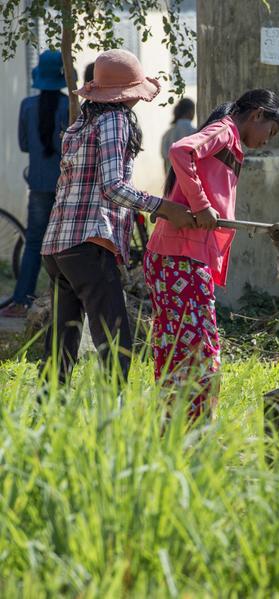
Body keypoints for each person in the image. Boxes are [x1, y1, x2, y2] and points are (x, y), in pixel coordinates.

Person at [40, 49, 195, 383]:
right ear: (129, 93)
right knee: (115, 338)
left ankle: (44, 413)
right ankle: (114, 414)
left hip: (57, 245)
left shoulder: (84, 120)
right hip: (88, 243)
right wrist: (163, 207)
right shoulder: (115, 120)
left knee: (61, 341)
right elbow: (114, 187)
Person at [144, 89, 279, 418]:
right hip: (181, 258)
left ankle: (174, 430)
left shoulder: (230, 141)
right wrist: (202, 205)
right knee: (198, 352)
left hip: (177, 257)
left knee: (176, 348)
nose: (267, 141)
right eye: (270, 132)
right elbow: (181, 151)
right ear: (258, 114)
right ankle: (195, 432)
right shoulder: (225, 130)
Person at [0, 51, 70, 318]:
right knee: (66, 245)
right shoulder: (69, 107)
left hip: (39, 185)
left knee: (33, 243)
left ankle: (21, 300)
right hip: (65, 187)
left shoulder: (27, 106)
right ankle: (65, 303)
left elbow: (23, 144)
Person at [160, 98, 196, 174]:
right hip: (189, 177)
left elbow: (165, 162)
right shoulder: (196, 132)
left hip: (172, 179)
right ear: (191, 112)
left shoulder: (166, 134)